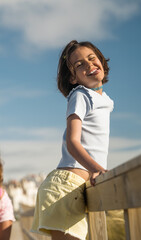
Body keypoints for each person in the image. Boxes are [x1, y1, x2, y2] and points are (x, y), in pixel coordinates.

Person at [31, 40, 114, 240]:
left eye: (92, 58)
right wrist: (96, 169)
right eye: (79, 65)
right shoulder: (81, 95)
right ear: (73, 78)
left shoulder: (106, 100)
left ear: (101, 61)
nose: (88, 64)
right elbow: (72, 141)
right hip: (67, 186)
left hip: (75, 186)